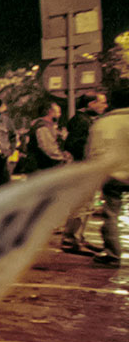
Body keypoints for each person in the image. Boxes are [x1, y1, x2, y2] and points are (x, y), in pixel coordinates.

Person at [60, 91, 110, 253]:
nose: (104, 105)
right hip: (84, 167)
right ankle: (71, 239)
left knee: (85, 205)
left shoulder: (84, 119)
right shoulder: (82, 121)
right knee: (81, 205)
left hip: (84, 166)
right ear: (91, 104)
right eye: (101, 102)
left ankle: (77, 237)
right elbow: (74, 144)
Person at [85, 88, 128, 267]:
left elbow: (92, 151)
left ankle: (113, 254)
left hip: (113, 175)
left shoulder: (102, 123)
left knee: (111, 214)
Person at [19, 101, 71, 174]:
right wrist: (62, 157)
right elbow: (48, 148)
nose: (60, 115)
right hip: (41, 167)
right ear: (50, 112)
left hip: (44, 167)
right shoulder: (42, 127)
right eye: (58, 112)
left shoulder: (49, 126)